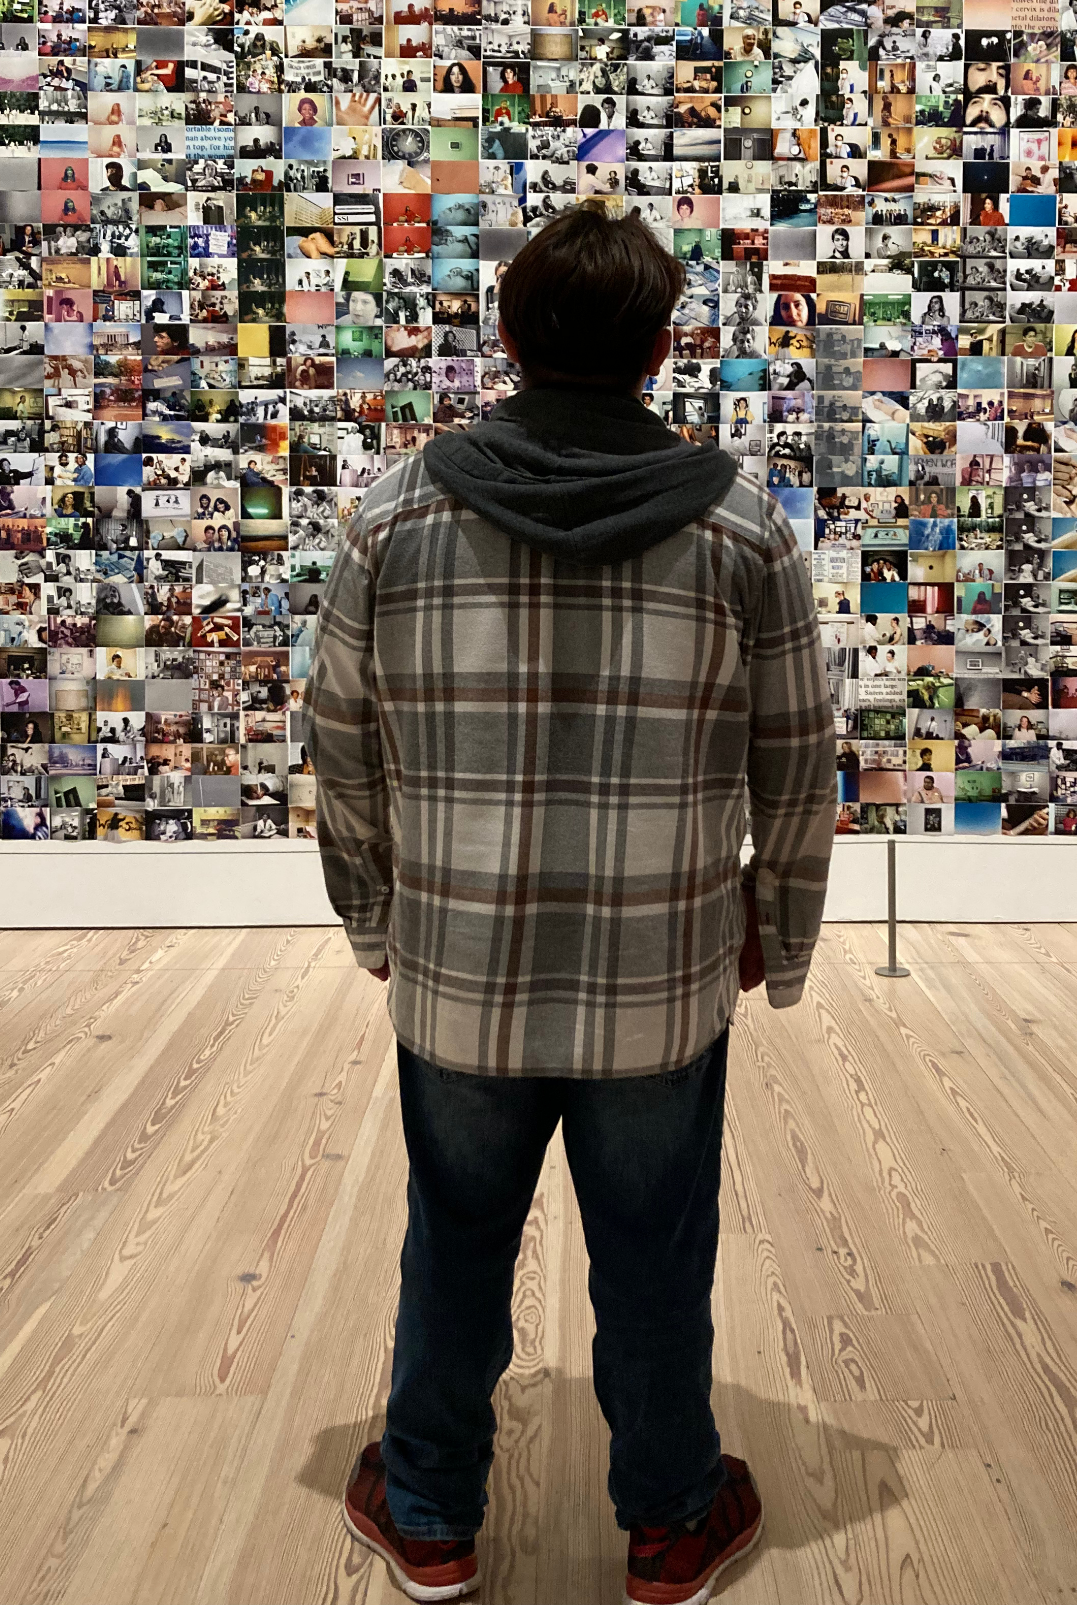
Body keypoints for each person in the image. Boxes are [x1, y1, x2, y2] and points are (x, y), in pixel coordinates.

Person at [305, 205, 835, 1605]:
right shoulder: (740, 524)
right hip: (658, 978)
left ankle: (427, 1511)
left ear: (507, 337)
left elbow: (339, 738)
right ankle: (668, 1518)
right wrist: (777, 929)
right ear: (664, 347)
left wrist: (376, 915)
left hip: (459, 967)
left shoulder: (399, 510)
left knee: (454, 1235)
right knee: (655, 1251)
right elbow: (797, 759)